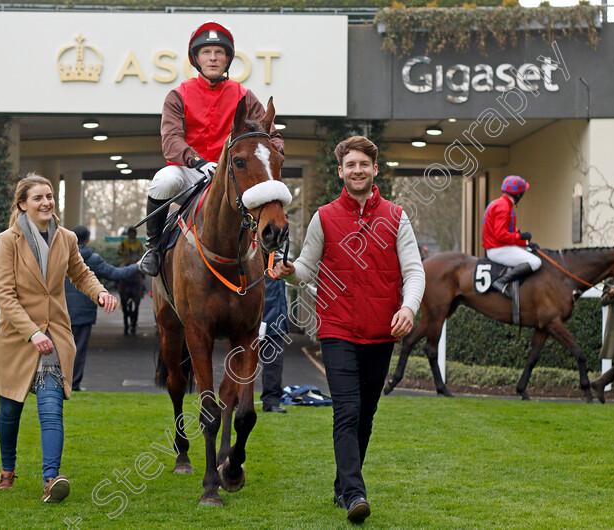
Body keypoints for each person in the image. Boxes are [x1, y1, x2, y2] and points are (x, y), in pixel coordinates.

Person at [272, 136, 425, 524]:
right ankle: (356, 494)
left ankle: (343, 485)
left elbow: (413, 271)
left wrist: (408, 307)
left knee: (366, 414)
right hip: (337, 328)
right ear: (341, 172)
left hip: (381, 331)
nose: (357, 170)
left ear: (375, 170)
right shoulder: (324, 217)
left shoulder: (397, 216)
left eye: (364, 164)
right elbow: (306, 268)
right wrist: (290, 273)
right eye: (350, 165)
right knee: (347, 410)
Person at [0, 174, 117, 503]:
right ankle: (7, 470)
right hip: (17, 337)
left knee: (51, 407)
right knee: (9, 411)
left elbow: (81, 272)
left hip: (54, 336)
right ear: (22, 204)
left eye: (49, 196)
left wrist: (100, 294)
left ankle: (51, 479)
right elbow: (4, 296)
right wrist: (31, 332)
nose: (46, 202)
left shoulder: (66, 238)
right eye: (38, 198)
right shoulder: (8, 240)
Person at [139, 20, 284, 276]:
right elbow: (171, 139)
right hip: (191, 173)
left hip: (232, 174)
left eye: (219, 53)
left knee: (266, 189)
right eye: (206, 52)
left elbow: (270, 133)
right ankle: (153, 247)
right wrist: (197, 162)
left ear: (228, 59)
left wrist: (275, 154)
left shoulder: (245, 95)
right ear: (196, 58)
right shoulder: (177, 95)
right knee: (163, 180)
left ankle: (273, 251)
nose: (213, 58)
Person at [66, 225, 139, 391]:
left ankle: (58, 382)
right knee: (79, 349)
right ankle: (74, 384)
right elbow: (115, 274)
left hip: (61, 310)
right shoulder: (92, 258)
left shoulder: (60, 253)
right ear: (88, 240)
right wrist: (139, 266)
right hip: (83, 312)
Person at [481, 175, 541, 297]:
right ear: (518, 194)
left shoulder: (502, 204)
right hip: (498, 249)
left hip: (500, 246)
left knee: (531, 251)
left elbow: (511, 233)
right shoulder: (503, 207)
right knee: (535, 262)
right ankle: (501, 281)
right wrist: (520, 237)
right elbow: (501, 235)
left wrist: (526, 243)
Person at [260, 252, 289, 414]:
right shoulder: (252, 254)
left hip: (274, 320)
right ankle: (235, 398)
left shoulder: (278, 258)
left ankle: (271, 402)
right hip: (252, 319)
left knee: (275, 364)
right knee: (241, 362)